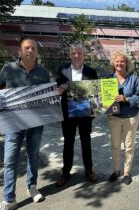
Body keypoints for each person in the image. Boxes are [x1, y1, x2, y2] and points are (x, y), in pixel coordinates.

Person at [0, 37, 50, 210]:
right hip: (13, 121)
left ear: (37, 52)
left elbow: (49, 95)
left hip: (36, 121)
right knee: (10, 160)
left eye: (33, 48)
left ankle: (32, 187)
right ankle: (9, 198)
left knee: (33, 156)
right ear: (20, 51)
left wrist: (58, 93)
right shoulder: (8, 68)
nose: (30, 51)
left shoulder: (43, 72)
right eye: (27, 48)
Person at [56, 43, 98, 187]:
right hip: (68, 114)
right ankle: (66, 172)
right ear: (70, 54)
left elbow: (96, 94)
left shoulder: (91, 72)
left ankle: (89, 170)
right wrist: (59, 90)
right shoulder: (62, 70)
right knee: (68, 143)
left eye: (80, 53)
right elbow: (57, 91)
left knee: (86, 142)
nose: (77, 55)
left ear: (83, 55)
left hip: (86, 114)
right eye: (74, 53)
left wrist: (94, 111)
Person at [107, 51, 139, 185]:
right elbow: (102, 98)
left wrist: (127, 98)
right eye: (117, 61)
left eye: (122, 61)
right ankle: (116, 170)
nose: (119, 63)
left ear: (126, 63)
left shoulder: (133, 79)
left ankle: (126, 172)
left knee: (129, 146)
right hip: (114, 117)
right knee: (115, 145)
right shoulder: (109, 79)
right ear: (113, 63)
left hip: (130, 117)